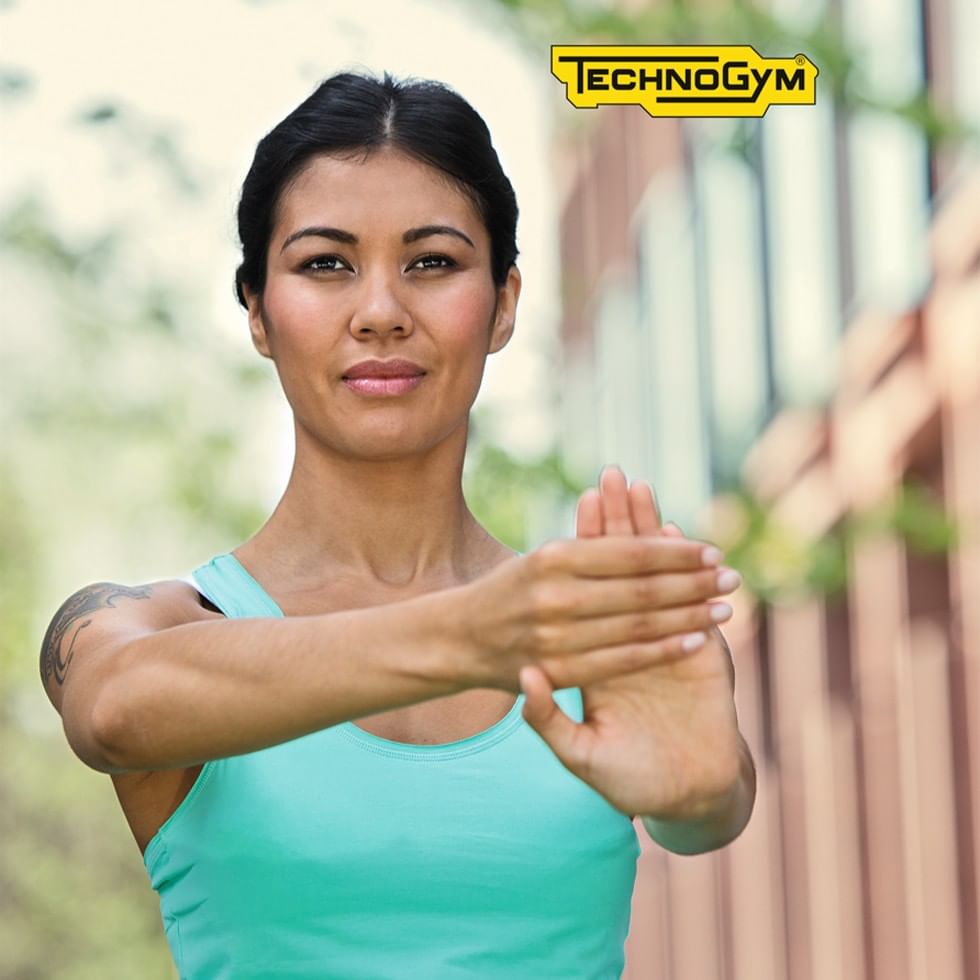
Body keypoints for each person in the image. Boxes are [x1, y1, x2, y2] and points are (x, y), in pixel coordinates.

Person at [38, 69, 745, 979]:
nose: (379, 313)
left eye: (433, 263)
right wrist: (480, 632)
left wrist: (702, 798)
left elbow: (705, 800)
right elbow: (113, 708)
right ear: (256, 309)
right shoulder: (167, 627)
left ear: (504, 304)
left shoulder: (597, 634)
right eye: (325, 264)